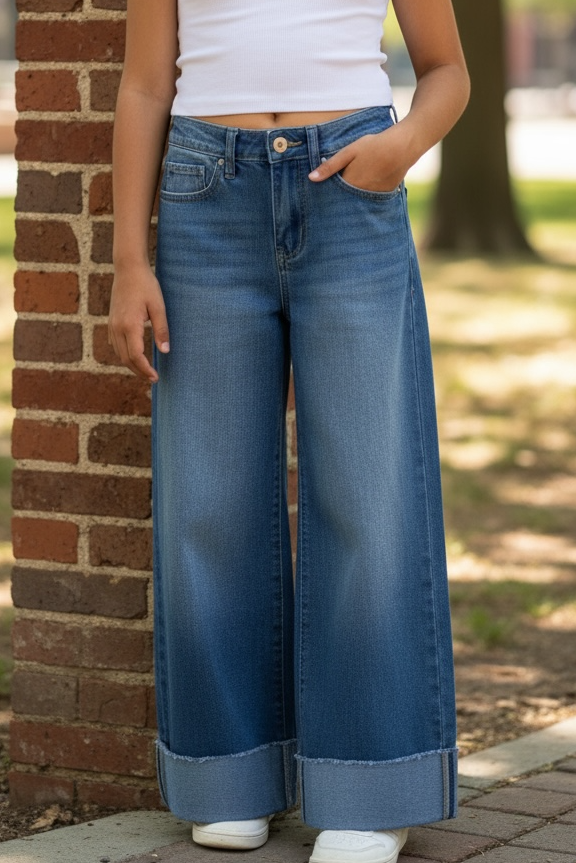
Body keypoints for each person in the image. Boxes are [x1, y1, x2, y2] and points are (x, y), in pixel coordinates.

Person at [108, 1, 470, 861]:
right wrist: (130, 261)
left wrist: (400, 146)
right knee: (209, 501)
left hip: (351, 187)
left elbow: (448, 71)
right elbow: (146, 82)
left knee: (367, 495)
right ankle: (229, 774)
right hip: (205, 199)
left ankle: (371, 785)